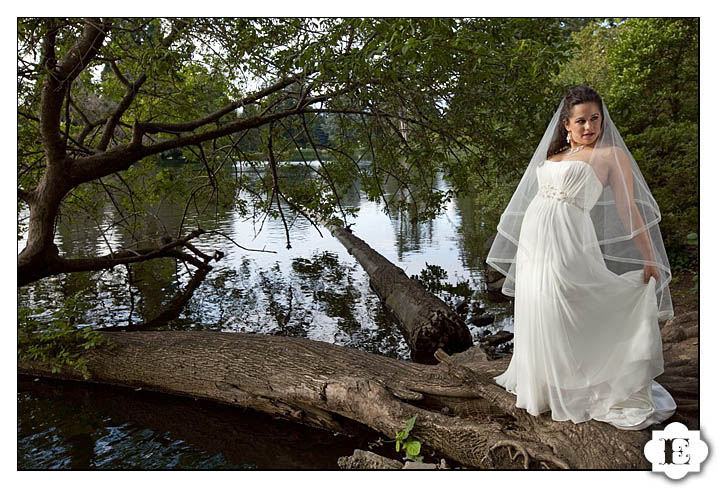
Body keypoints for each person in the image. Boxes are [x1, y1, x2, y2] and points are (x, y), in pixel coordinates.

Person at [485, 85, 676, 430]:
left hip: (569, 236)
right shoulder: (553, 156)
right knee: (540, 302)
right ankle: (545, 381)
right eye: (581, 121)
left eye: (595, 119)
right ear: (566, 125)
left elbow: (627, 208)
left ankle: (589, 379)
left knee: (568, 299)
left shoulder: (610, 155)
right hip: (535, 240)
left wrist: (649, 258)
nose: (589, 127)